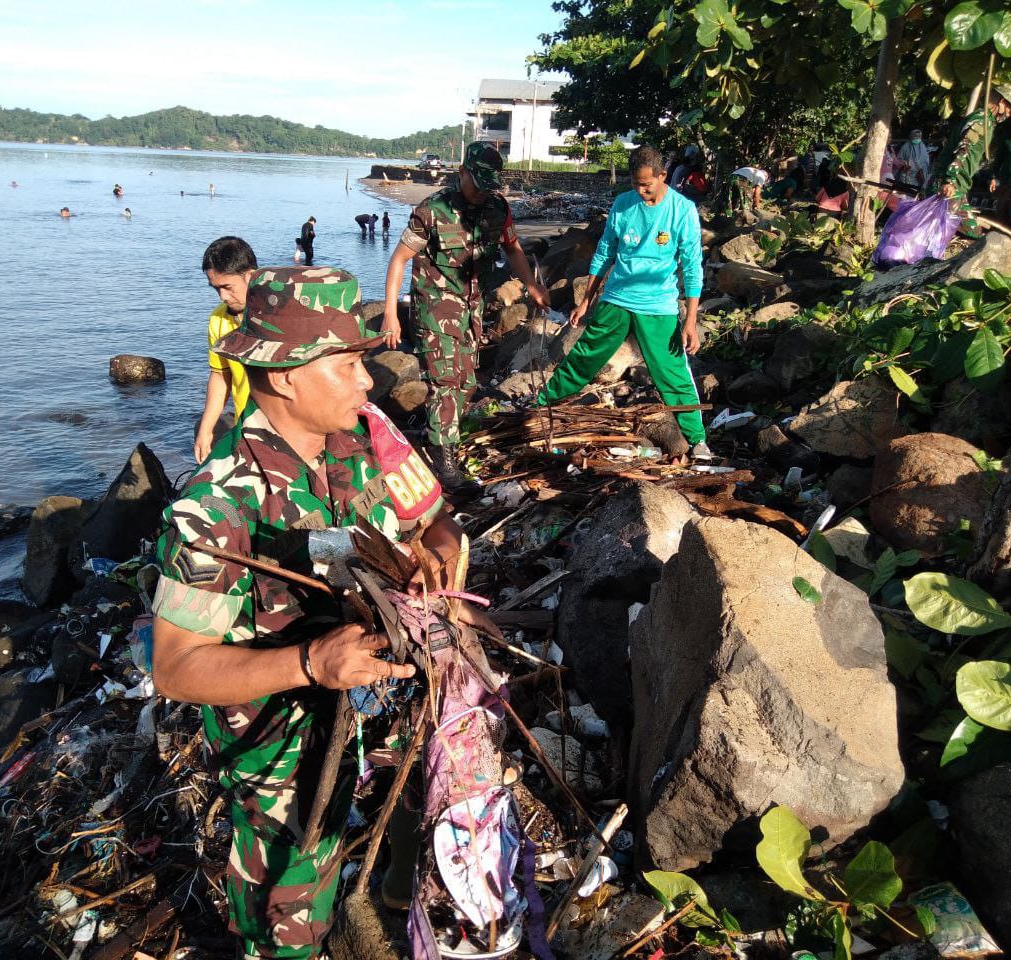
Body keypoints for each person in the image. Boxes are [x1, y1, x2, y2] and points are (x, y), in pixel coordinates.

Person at [151, 265, 464, 960]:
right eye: (348, 365)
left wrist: (436, 555)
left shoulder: (365, 437)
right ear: (286, 374)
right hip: (282, 749)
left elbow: (436, 519)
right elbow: (175, 669)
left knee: (416, 797)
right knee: (288, 914)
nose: (367, 383)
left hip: (382, 702)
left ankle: (390, 890)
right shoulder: (216, 506)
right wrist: (309, 664)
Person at [381, 141, 549, 494]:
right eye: (478, 183)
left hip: (472, 305)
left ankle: (439, 437)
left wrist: (532, 286)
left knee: (466, 381)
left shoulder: (497, 209)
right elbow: (397, 260)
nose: (482, 191)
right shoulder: (431, 211)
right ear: (461, 173)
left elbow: (513, 248)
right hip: (434, 306)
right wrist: (390, 315)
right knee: (446, 380)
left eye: (490, 184)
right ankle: (444, 463)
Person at [533, 145, 710, 457]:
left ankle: (697, 440)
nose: (641, 191)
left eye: (647, 184)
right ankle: (541, 407)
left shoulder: (682, 210)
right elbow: (605, 252)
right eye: (636, 184)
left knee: (672, 374)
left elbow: (693, 266)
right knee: (583, 357)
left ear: (662, 176)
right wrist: (587, 300)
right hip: (616, 299)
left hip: (659, 307)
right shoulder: (623, 204)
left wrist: (692, 320)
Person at [195, 237, 257, 462]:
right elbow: (221, 375)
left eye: (227, 287)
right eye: (216, 288)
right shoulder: (218, 320)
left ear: (250, 276)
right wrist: (206, 428)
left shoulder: (279, 315)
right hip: (246, 426)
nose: (222, 297)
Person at [932, 82, 1011, 234]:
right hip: (951, 187)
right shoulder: (981, 121)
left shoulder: (983, 120)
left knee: (944, 232)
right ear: (1002, 103)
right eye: (1010, 110)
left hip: (954, 185)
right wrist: (951, 182)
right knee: (972, 233)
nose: (1009, 115)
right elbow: (964, 149)